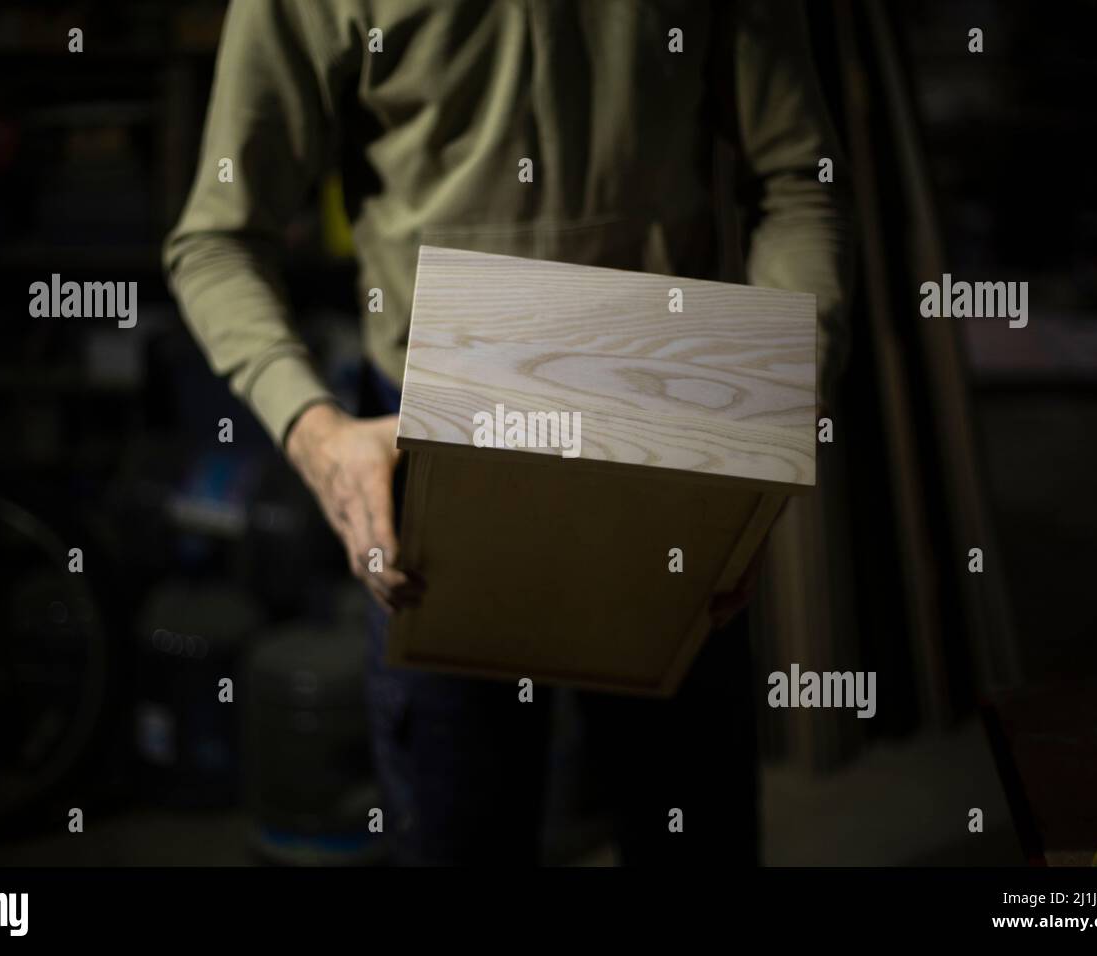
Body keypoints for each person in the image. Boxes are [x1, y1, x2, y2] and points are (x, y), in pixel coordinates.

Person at [164, 0, 851, 865]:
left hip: (664, 446)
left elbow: (798, 182)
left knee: (690, 827)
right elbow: (218, 239)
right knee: (462, 830)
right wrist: (317, 432)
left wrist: (773, 420)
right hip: (434, 458)